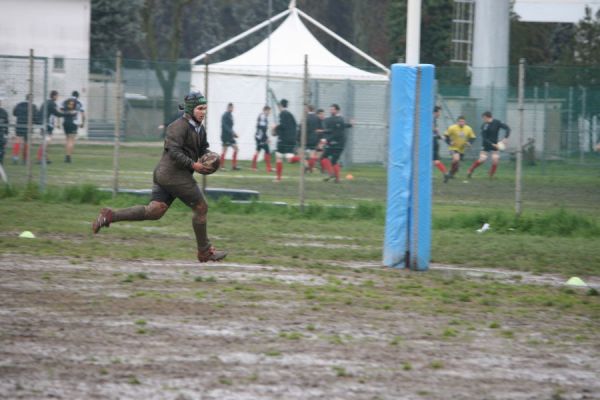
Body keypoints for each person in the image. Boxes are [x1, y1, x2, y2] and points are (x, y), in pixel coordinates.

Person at [92, 91, 227, 263]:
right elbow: (174, 151)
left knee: (154, 211)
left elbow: (202, 150)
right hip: (173, 174)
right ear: (191, 109)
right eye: (200, 108)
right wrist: (194, 165)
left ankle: (109, 216)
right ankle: (205, 251)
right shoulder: (178, 126)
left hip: (168, 175)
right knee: (201, 207)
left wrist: (211, 158)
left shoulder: (199, 129)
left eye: (205, 109)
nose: (203, 112)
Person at [467, 111, 511, 179]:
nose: (483, 120)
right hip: (486, 144)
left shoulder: (497, 122)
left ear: (486, 117)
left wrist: (506, 138)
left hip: (495, 145)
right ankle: (470, 170)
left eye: (483, 118)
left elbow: (507, 128)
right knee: (482, 159)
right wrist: (492, 144)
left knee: (495, 159)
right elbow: (484, 138)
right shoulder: (484, 125)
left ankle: (491, 174)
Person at [320, 104, 353, 183]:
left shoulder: (336, 119)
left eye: (332, 109)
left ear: (337, 110)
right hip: (340, 143)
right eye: (330, 109)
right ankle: (337, 179)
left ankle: (331, 173)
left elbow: (333, 131)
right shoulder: (340, 119)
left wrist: (326, 139)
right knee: (334, 161)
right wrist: (350, 124)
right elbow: (342, 126)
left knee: (323, 157)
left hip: (335, 143)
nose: (331, 111)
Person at [272, 99, 298, 182]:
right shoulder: (290, 114)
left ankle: (278, 178)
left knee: (278, 156)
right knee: (289, 159)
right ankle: (302, 158)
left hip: (283, 139)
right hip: (291, 139)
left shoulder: (282, 114)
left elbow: (283, 126)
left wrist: (275, 127)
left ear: (280, 106)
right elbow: (294, 126)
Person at [36, 90, 65, 164]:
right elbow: (57, 113)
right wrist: (66, 114)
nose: (58, 97)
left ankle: (46, 158)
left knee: (45, 142)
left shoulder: (46, 102)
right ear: (54, 96)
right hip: (47, 126)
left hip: (44, 124)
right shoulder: (52, 103)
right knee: (46, 142)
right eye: (57, 96)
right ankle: (40, 159)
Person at [444, 115, 476, 179]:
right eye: (460, 121)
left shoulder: (468, 128)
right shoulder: (452, 128)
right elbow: (445, 135)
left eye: (463, 121)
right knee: (456, 159)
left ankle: (451, 174)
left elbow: (473, 137)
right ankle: (450, 172)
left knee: (456, 165)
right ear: (457, 122)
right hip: (453, 147)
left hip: (462, 149)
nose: (461, 123)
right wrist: (449, 142)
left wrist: (469, 142)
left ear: (465, 122)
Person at [12, 94, 39, 164]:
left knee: (17, 140)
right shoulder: (33, 106)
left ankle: (15, 158)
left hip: (19, 124)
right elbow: (36, 118)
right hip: (28, 126)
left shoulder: (19, 104)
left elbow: (14, 113)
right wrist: (37, 122)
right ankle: (25, 159)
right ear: (31, 99)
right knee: (27, 143)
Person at [61, 91, 85, 163]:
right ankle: (69, 157)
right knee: (72, 140)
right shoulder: (79, 102)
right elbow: (83, 114)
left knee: (67, 139)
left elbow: (60, 110)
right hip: (73, 123)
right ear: (78, 96)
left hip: (65, 122)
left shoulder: (65, 101)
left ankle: (66, 155)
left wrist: (58, 122)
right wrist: (82, 123)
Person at [251, 105, 272, 172]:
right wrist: (266, 138)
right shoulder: (263, 117)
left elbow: (260, 128)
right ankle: (268, 168)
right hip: (261, 137)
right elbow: (262, 129)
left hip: (259, 137)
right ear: (265, 110)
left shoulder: (263, 116)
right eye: (268, 111)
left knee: (258, 150)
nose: (269, 112)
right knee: (267, 150)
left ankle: (254, 167)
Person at [432, 106, 450, 182]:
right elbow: (434, 129)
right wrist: (441, 136)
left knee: (433, 159)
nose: (439, 114)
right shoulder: (433, 119)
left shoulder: (432, 119)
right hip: (434, 141)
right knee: (434, 160)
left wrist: (440, 136)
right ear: (435, 112)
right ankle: (445, 173)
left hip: (432, 141)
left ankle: (445, 173)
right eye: (439, 112)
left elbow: (434, 129)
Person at [220, 103, 239, 171]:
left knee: (236, 148)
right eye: (230, 107)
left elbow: (230, 127)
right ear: (228, 108)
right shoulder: (225, 115)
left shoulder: (231, 115)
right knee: (225, 150)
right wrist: (232, 132)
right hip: (225, 136)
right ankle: (221, 166)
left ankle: (234, 166)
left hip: (230, 136)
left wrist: (233, 133)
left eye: (232, 108)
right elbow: (225, 126)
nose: (232, 109)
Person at [0, 100, 8, 165]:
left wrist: (6, 134)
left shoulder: (4, 112)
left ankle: (1, 164)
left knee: (2, 151)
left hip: (1, 135)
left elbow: (7, 123)